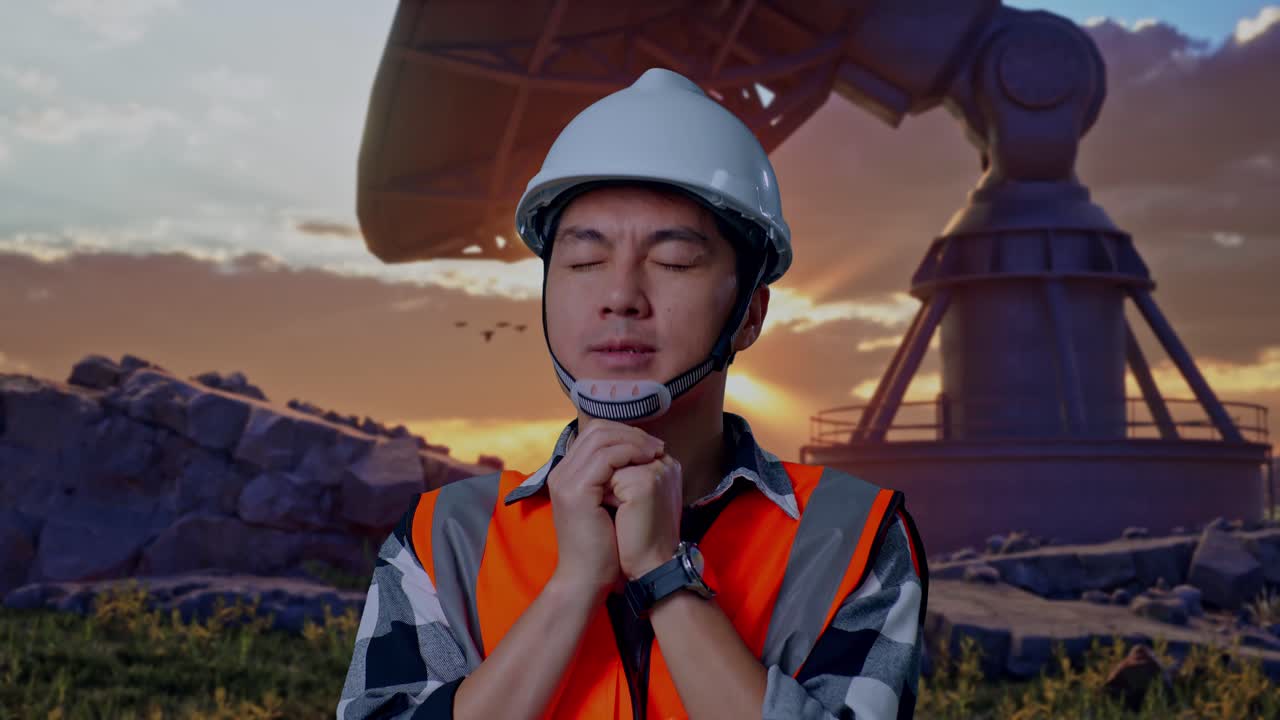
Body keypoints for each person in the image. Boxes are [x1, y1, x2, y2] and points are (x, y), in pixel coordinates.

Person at [337, 67, 929, 720]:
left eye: (674, 262)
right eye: (584, 262)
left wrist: (664, 575)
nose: (620, 297)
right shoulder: (444, 536)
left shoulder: (851, 535)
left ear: (752, 315)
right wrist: (571, 588)